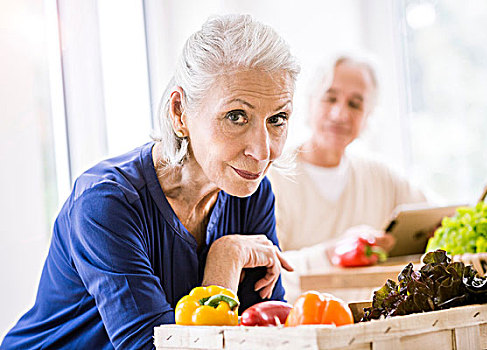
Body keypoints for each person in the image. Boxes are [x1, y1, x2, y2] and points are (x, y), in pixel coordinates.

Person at [1, 14, 299, 349]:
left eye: (278, 119)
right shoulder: (105, 203)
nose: (262, 151)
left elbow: (266, 336)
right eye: (235, 116)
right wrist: (225, 259)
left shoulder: (250, 192)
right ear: (179, 113)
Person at [268, 54, 426, 302]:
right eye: (330, 98)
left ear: (367, 115)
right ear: (309, 102)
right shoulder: (272, 177)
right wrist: (331, 254)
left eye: (355, 104)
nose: (340, 114)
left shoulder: (381, 176)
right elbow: (264, 272)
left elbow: (437, 215)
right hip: (304, 328)